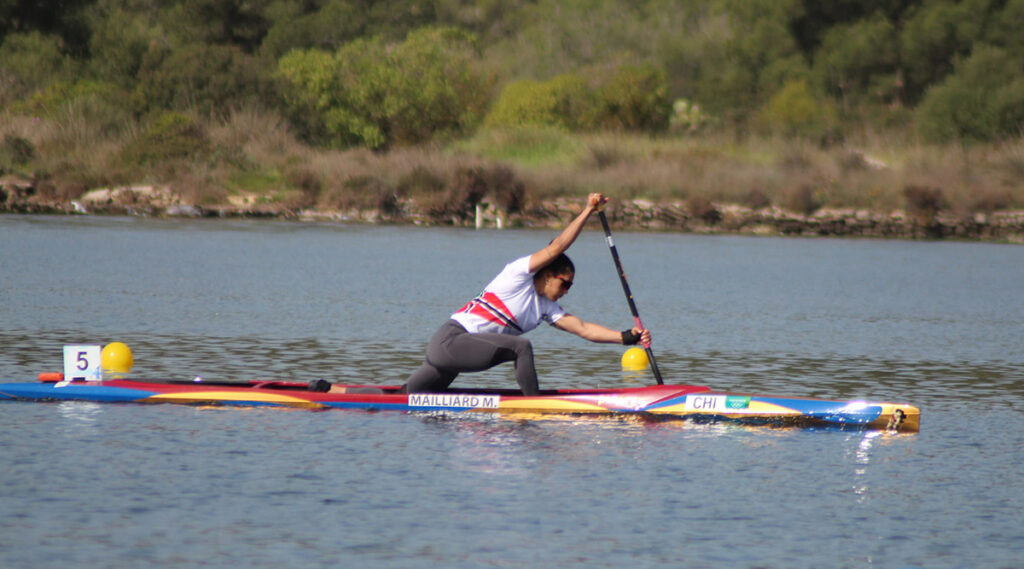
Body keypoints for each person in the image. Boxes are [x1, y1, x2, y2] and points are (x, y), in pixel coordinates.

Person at [403, 193, 651, 396]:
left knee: (404, 398)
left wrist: (628, 337)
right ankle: (534, 406)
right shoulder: (517, 275)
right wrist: (587, 211)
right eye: (565, 284)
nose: (567, 292)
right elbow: (558, 247)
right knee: (521, 347)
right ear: (548, 274)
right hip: (451, 341)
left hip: (460, 352)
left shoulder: (544, 307)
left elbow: (584, 329)